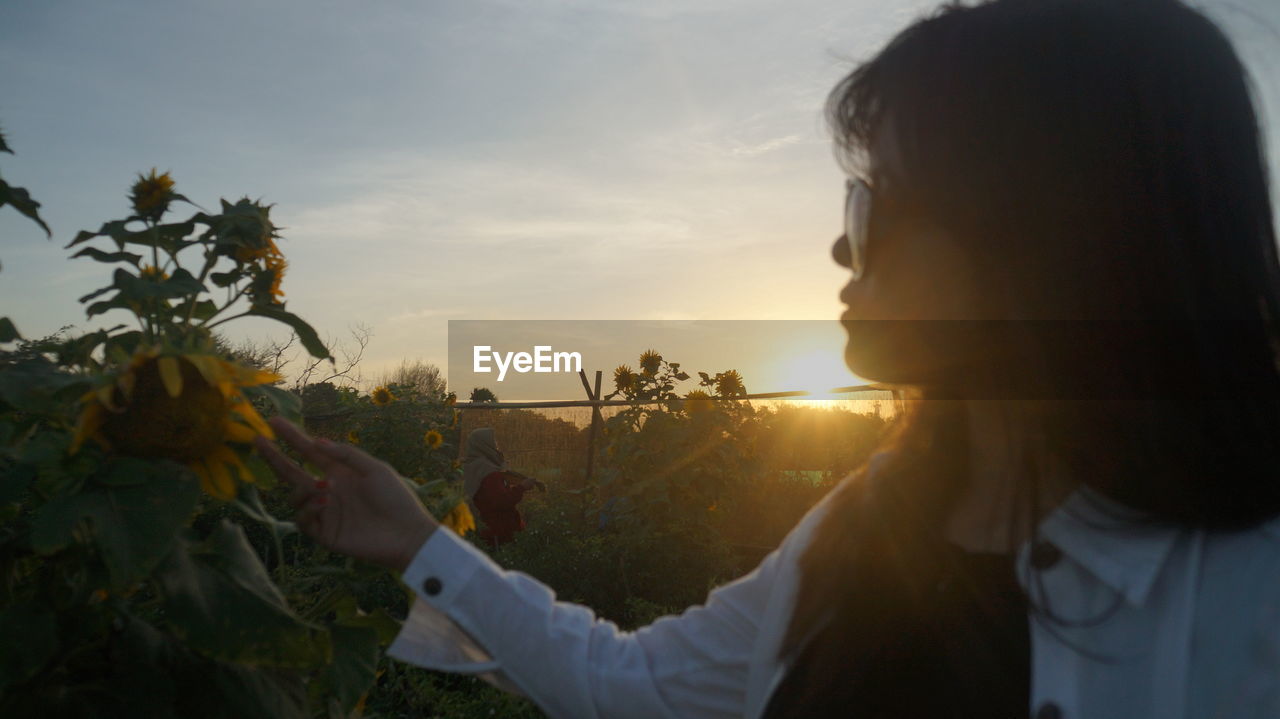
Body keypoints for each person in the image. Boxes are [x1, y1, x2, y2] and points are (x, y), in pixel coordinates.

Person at [254, 0, 1280, 716]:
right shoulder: (871, 523)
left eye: (873, 202)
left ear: (1035, 235)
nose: (843, 244)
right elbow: (633, 686)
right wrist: (417, 538)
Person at [461, 427, 545, 547]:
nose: (496, 445)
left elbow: (487, 497)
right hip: (499, 534)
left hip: (484, 530)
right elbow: (501, 501)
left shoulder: (473, 465)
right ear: (485, 445)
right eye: (494, 441)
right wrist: (522, 487)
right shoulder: (489, 472)